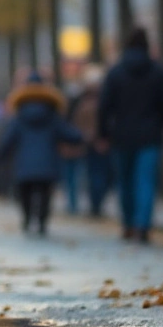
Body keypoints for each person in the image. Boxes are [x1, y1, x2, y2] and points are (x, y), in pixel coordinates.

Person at [97, 28, 163, 244]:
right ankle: (143, 225)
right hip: (150, 136)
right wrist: (159, 122)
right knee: (146, 181)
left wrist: (103, 134)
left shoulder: (115, 73)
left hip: (121, 136)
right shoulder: (158, 72)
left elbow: (104, 107)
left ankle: (128, 224)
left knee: (125, 182)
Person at [0, 74, 83, 235]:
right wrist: (80, 138)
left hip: (24, 165)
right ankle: (42, 221)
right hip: (48, 163)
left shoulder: (19, 116)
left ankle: (28, 218)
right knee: (45, 193)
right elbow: (70, 134)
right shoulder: (53, 115)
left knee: (25, 193)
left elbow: (8, 139)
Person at [65, 64, 111, 217]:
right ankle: (94, 204)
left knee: (93, 175)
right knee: (95, 175)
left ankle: (93, 204)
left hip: (91, 142)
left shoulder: (82, 99)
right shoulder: (95, 99)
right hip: (93, 142)